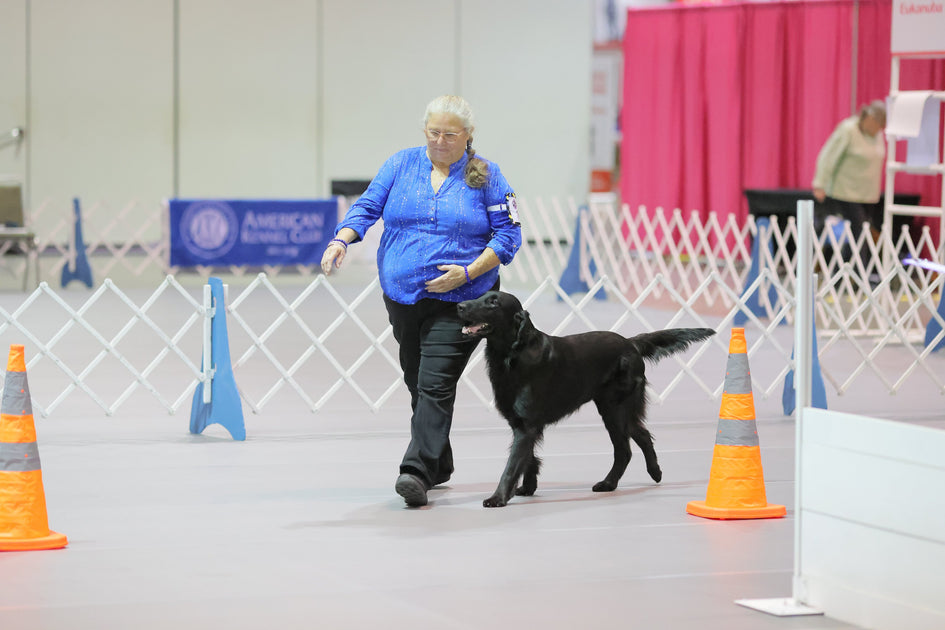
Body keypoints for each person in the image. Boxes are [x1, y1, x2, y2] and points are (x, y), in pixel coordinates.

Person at [320, 95, 522, 507]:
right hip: (403, 297)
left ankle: (415, 471)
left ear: (467, 136)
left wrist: (467, 272)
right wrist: (342, 239)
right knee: (417, 380)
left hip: (464, 301)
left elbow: (508, 235)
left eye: (450, 134)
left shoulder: (487, 175)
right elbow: (367, 206)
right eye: (433, 132)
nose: (440, 141)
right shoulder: (400, 164)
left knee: (435, 381)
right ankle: (439, 462)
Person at [811, 100, 887, 276]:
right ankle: (853, 274)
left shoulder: (877, 135)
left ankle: (848, 273)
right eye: (878, 125)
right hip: (845, 192)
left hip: (868, 194)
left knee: (860, 233)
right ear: (869, 118)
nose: (880, 129)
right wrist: (820, 183)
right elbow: (828, 156)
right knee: (857, 232)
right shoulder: (847, 130)